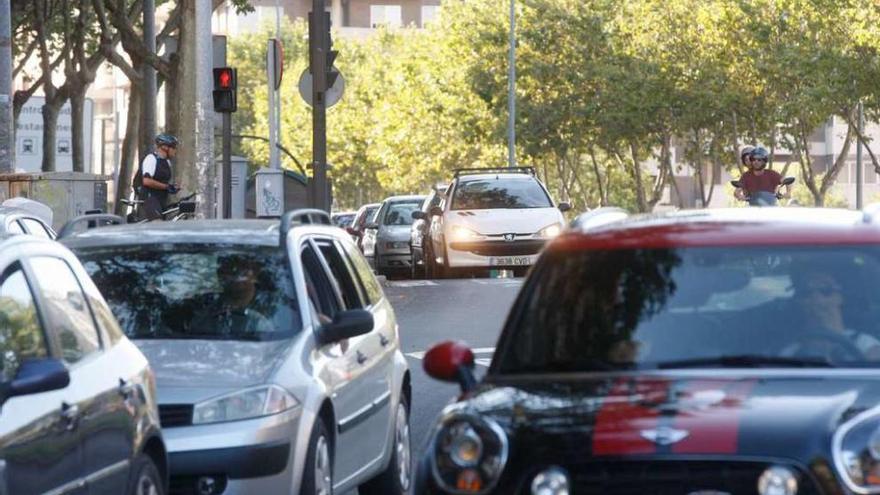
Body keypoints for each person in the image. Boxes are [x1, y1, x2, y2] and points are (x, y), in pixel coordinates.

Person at [782, 267, 880, 361]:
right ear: (800, 302)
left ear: (840, 297)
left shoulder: (866, 345)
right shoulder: (790, 353)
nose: (816, 298)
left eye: (826, 290)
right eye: (806, 292)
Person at [191, 257, 274, 336]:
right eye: (234, 277)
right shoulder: (203, 318)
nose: (240, 285)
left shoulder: (260, 324)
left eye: (245, 281)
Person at [136, 133, 180, 220]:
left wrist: (172, 187)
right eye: (173, 147)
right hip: (150, 198)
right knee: (157, 223)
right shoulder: (151, 159)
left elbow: (162, 181)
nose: (175, 150)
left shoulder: (167, 162)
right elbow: (146, 181)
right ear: (165, 147)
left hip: (162, 199)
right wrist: (166, 186)